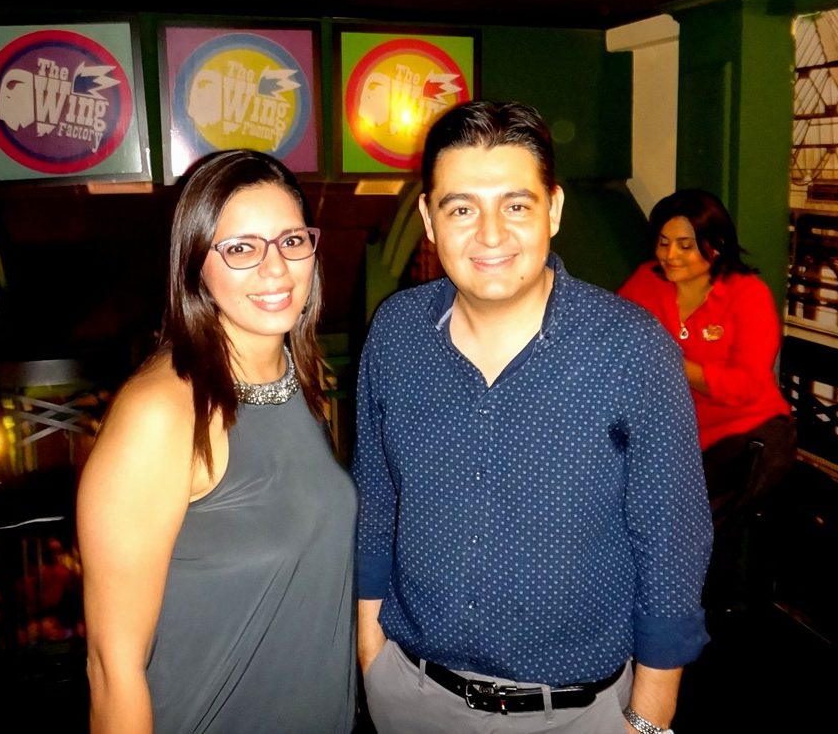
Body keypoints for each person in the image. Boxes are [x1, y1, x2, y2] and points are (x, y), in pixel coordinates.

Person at [353, 100, 712, 734]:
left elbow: (672, 541)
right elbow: (377, 499)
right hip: (410, 693)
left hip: (574, 714)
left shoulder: (631, 348)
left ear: (554, 209)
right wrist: (371, 654)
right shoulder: (396, 333)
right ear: (429, 220)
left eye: (516, 206)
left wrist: (649, 720)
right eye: (461, 209)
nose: (490, 235)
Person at [77, 149, 357, 733]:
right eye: (241, 249)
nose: (276, 269)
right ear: (195, 264)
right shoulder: (161, 412)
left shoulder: (299, 378)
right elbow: (112, 667)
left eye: (291, 241)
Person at [618, 189, 796, 613]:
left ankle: (696, 608)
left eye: (685, 245)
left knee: (682, 512)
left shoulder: (746, 293)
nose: (670, 256)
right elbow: (613, 335)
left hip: (747, 430)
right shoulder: (646, 281)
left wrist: (674, 363)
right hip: (677, 432)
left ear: (715, 245)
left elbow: (746, 387)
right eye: (663, 242)